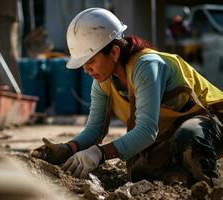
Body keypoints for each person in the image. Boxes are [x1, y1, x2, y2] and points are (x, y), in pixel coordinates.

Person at [31, 8, 223, 185]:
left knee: (189, 137)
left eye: (90, 61)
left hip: (213, 119)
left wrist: (100, 153)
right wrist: (68, 148)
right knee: (140, 172)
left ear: (114, 52)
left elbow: (147, 131)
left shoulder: (146, 66)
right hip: (173, 131)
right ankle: (183, 177)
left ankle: (210, 189)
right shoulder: (102, 81)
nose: (87, 69)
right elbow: (94, 130)